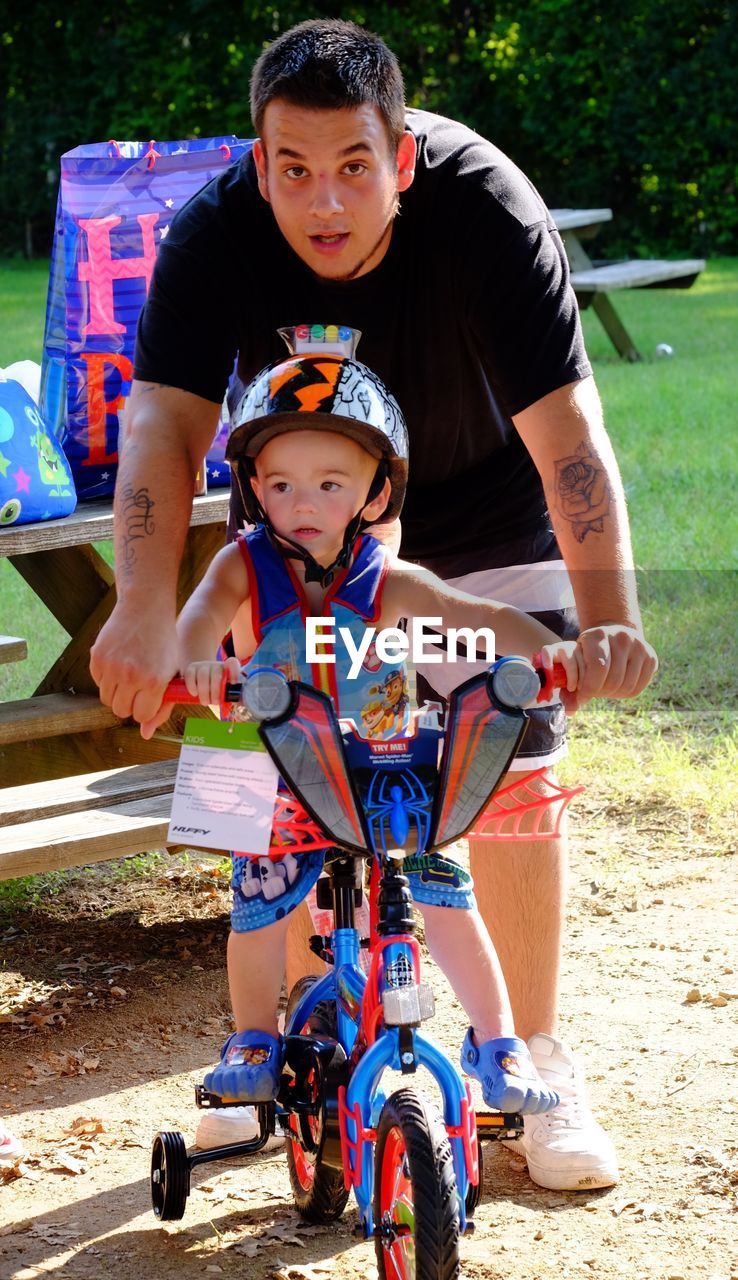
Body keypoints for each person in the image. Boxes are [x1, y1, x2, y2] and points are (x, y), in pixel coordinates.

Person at [90, 19, 658, 1189]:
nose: (324, 199)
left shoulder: (487, 208)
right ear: (258, 164)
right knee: (260, 741)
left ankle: (526, 1058)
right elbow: (162, 426)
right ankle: (288, 1039)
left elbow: (572, 441)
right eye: (292, 168)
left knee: (506, 743)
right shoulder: (214, 234)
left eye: (354, 164)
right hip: (306, 515)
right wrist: (142, 609)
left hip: (485, 504)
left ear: (402, 157)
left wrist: (604, 613)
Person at [165, 342, 587, 1119]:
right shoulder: (239, 568)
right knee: (258, 901)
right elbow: (193, 627)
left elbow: (477, 617)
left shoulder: (386, 578)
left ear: (373, 490)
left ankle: (499, 1045)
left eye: (331, 484)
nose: (305, 503)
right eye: (283, 484)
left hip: (377, 763)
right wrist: (192, 664)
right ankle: (252, 1039)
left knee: (444, 889)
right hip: (275, 768)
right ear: (254, 487)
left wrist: (553, 647)